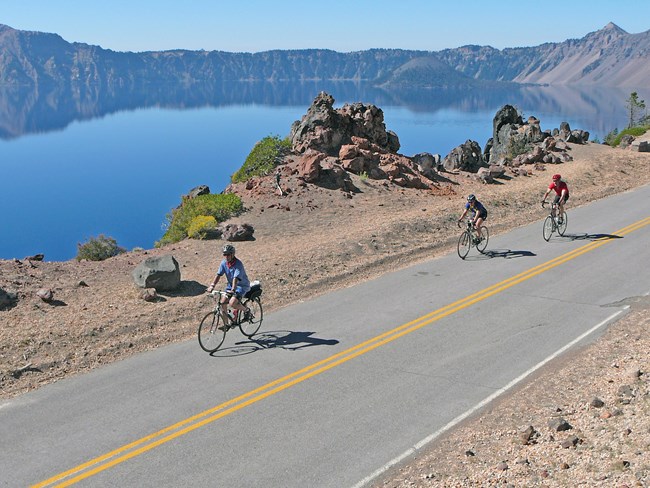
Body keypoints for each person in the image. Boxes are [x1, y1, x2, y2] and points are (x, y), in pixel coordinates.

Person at [207, 244, 251, 328]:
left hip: (241, 286)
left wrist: (233, 290)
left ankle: (246, 310)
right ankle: (226, 324)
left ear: (232, 254)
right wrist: (212, 286)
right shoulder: (224, 263)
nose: (226, 256)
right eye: (224, 254)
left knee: (232, 303)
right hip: (230, 287)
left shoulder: (238, 264)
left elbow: (235, 278)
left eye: (228, 254)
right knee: (222, 302)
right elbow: (218, 275)